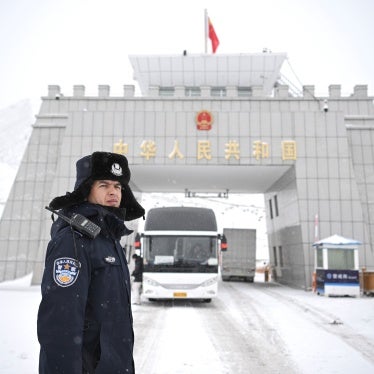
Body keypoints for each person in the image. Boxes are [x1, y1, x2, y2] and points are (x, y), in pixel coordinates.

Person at [37, 151, 145, 374]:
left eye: (118, 186)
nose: (113, 192)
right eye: (104, 185)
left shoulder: (109, 240)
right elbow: (60, 322)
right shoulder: (73, 240)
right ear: (86, 189)